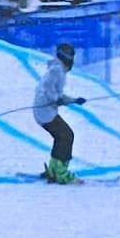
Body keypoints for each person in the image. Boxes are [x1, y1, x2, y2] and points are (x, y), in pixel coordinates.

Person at [32, 42, 87, 184]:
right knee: (67, 135)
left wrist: (74, 100)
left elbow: (56, 94)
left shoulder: (58, 69)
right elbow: (47, 88)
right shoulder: (56, 70)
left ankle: (53, 169)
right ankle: (61, 173)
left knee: (61, 136)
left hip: (44, 110)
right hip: (45, 111)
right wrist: (56, 99)